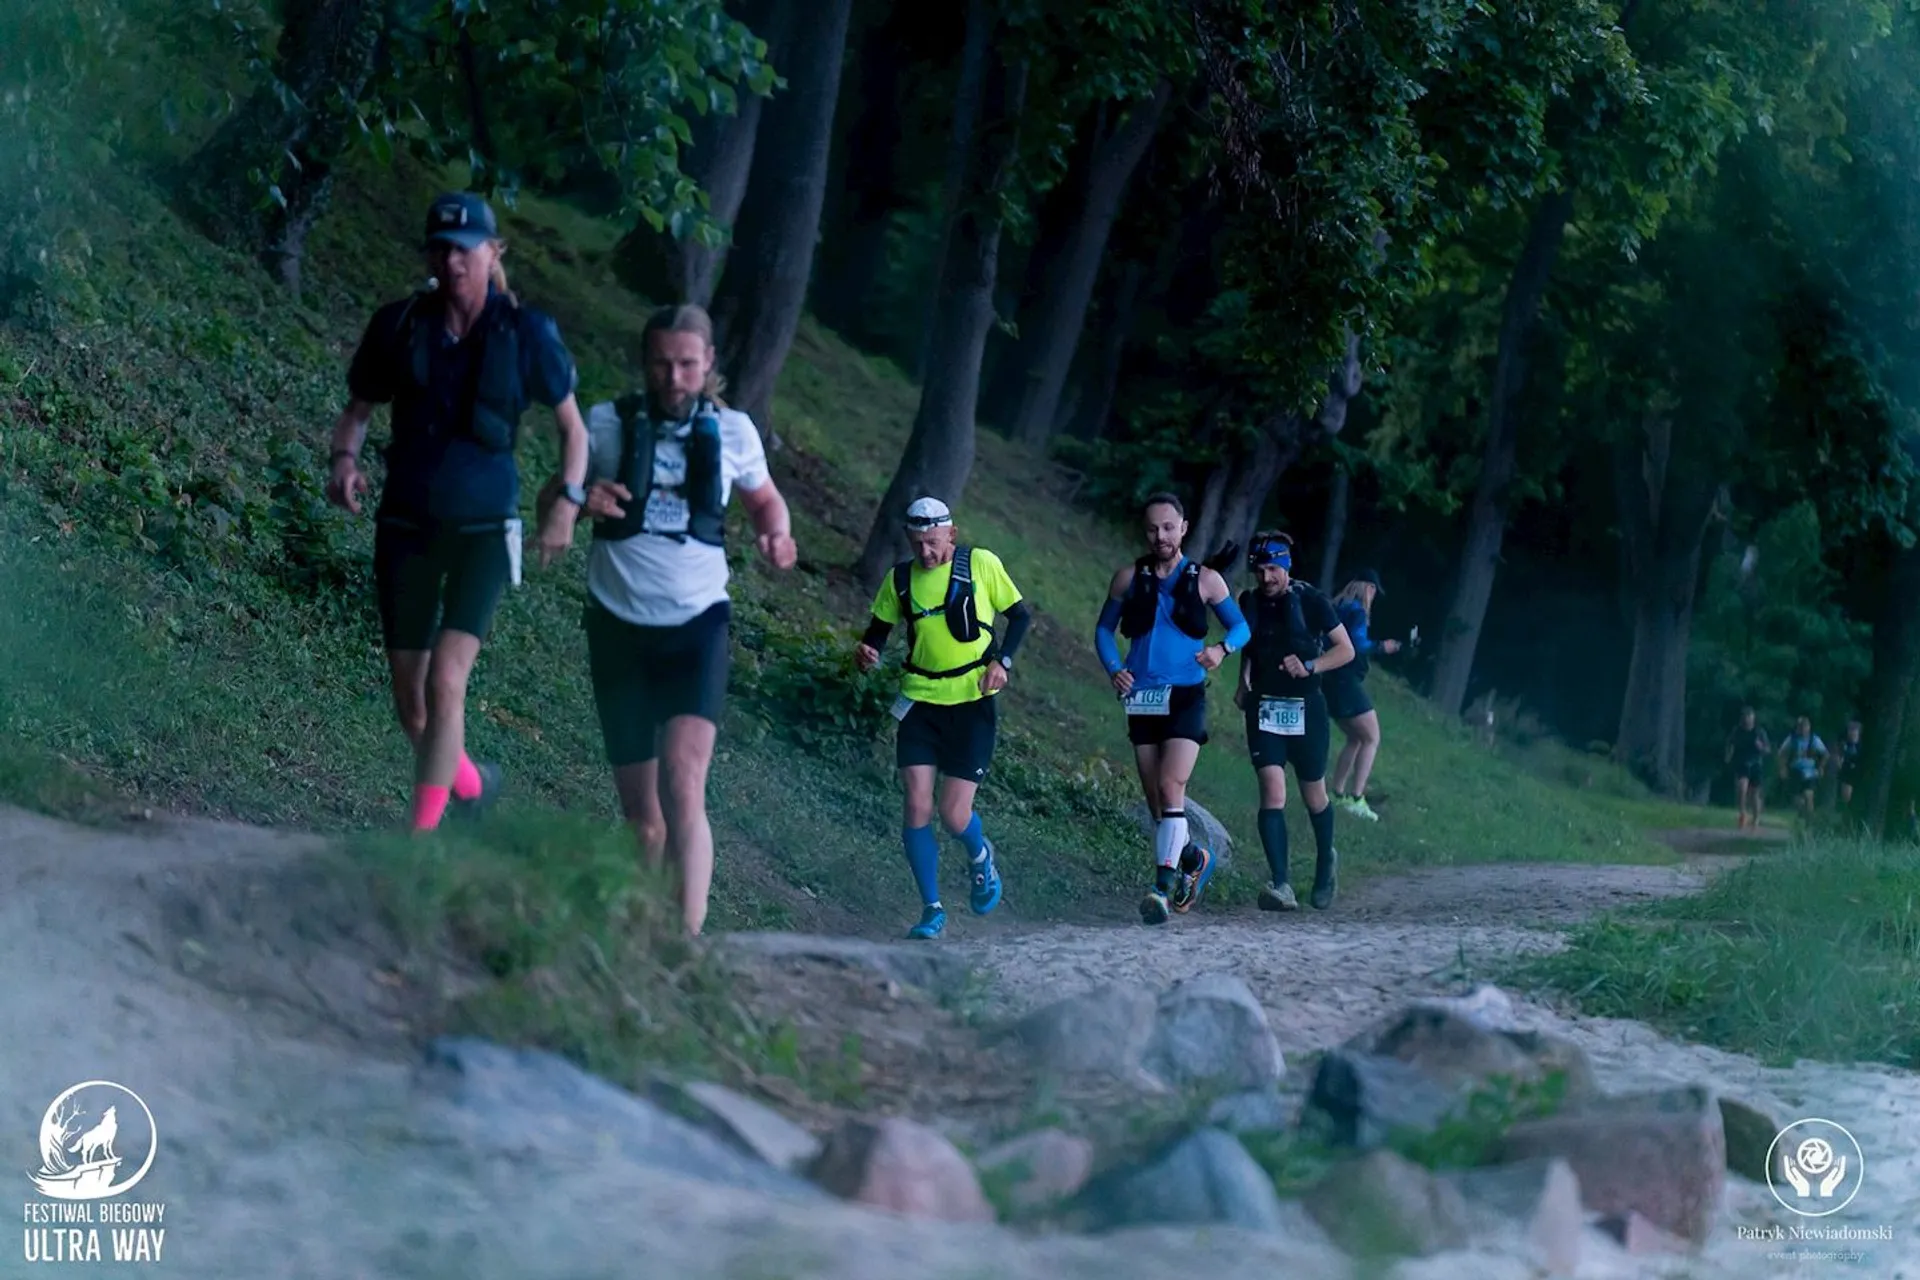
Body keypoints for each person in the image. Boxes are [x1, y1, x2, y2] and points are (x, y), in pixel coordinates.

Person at [326, 191, 587, 833]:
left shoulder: (526, 332)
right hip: (407, 524)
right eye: (440, 247)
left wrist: (566, 507)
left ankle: (422, 840)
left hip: (484, 530)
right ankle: (472, 785)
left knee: (447, 682)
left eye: (465, 247)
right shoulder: (400, 325)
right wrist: (343, 462)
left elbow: (573, 433)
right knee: (412, 706)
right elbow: (358, 413)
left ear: (492, 252)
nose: (452, 259)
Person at [538, 303, 796, 937]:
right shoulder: (604, 425)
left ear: (708, 363)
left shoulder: (734, 432)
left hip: (696, 625)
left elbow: (764, 500)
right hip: (618, 627)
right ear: (645, 362)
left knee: (683, 784)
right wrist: (578, 500)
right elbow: (554, 496)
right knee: (641, 817)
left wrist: (777, 535)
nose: (674, 377)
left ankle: (684, 943)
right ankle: (637, 932)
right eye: (662, 363)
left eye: (687, 364)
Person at [854, 498, 1033, 940]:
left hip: (972, 702)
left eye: (933, 543)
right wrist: (867, 653)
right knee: (916, 804)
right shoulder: (900, 578)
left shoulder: (982, 564)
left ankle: (980, 858)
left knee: (954, 814)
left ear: (951, 534)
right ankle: (931, 908)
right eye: (918, 544)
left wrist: (1003, 663)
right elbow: (877, 632)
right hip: (919, 702)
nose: (926, 553)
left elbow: (1021, 616)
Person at [1094, 493, 1251, 926]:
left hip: (1185, 696)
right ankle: (1194, 857)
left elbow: (1241, 626)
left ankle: (1160, 890)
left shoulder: (1207, 580)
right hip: (1142, 698)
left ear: (1184, 527)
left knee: (1170, 785)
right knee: (1158, 802)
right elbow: (1104, 632)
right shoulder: (1128, 578)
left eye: (1168, 527)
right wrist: (1115, 670)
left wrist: (1221, 649)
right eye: (1152, 528)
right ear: (1144, 532)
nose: (1160, 535)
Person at [1235, 532, 1356, 911]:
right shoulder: (1250, 601)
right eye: (1260, 570)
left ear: (1287, 567)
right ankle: (1281, 883)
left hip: (1307, 709)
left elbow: (1346, 650)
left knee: (1313, 795)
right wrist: (1243, 681)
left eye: (1273, 569)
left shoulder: (1312, 601)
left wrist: (1310, 666)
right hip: (1265, 707)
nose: (1266, 577)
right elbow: (1250, 645)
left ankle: (1325, 865)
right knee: (1272, 790)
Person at [1325, 569, 1402, 822]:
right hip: (1346, 680)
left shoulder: (1337, 606)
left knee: (1355, 738)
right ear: (1368, 588)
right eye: (1374, 591)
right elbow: (1357, 645)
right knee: (1371, 737)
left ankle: (1337, 793)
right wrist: (1383, 646)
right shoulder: (1357, 610)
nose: (1374, 596)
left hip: (1330, 679)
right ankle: (1357, 797)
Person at [1723, 706, 1770, 830]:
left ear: (1753, 719)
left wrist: (1761, 747)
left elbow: (1767, 750)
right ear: (1742, 720)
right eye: (1745, 719)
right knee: (1741, 788)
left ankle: (1756, 819)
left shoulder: (1759, 732)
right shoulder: (1737, 731)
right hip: (1742, 763)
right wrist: (1728, 755)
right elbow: (1730, 743)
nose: (1747, 722)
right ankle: (1743, 814)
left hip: (1756, 764)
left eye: (1750, 719)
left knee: (1754, 794)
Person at [1776, 715, 1828, 820]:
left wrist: (1821, 767)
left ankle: (1810, 822)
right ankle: (1803, 814)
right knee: (1797, 800)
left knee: (1809, 796)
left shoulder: (1814, 739)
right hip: (1795, 771)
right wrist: (1783, 768)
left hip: (1810, 772)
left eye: (1805, 726)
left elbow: (1825, 754)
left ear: (1809, 727)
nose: (1802, 729)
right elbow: (1781, 754)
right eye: (1800, 727)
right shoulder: (1791, 739)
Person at [1836, 718, 1864, 808]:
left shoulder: (1862, 747)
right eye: (1850, 730)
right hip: (1847, 773)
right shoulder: (1844, 745)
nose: (1851, 733)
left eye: (1854, 731)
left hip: (1858, 774)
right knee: (1845, 797)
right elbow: (1838, 756)